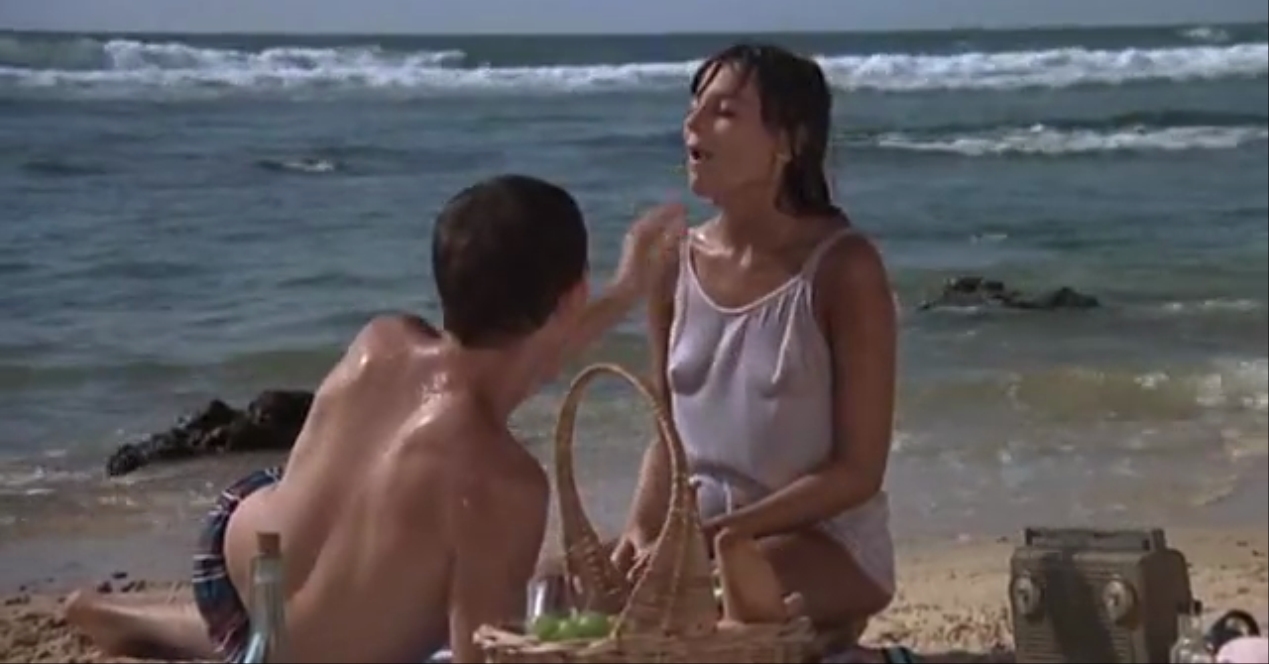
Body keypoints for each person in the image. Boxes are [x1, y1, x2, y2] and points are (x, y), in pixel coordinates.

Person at [64, 174, 687, 664]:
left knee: (354, 525)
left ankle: (131, 619)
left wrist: (627, 288)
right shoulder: (505, 485)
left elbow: (511, 356)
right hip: (290, 652)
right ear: (572, 296)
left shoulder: (382, 342)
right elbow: (483, 653)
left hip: (232, 565)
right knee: (442, 562)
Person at [610, 43, 903, 659]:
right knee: (563, 590)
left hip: (823, 544)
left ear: (788, 142)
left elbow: (857, 473)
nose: (692, 124)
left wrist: (718, 536)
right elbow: (667, 431)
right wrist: (641, 530)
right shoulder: (673, 262)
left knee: (689, 620)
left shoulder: (843, 268)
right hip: (702, 542)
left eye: (724, 112)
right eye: (695, 106)